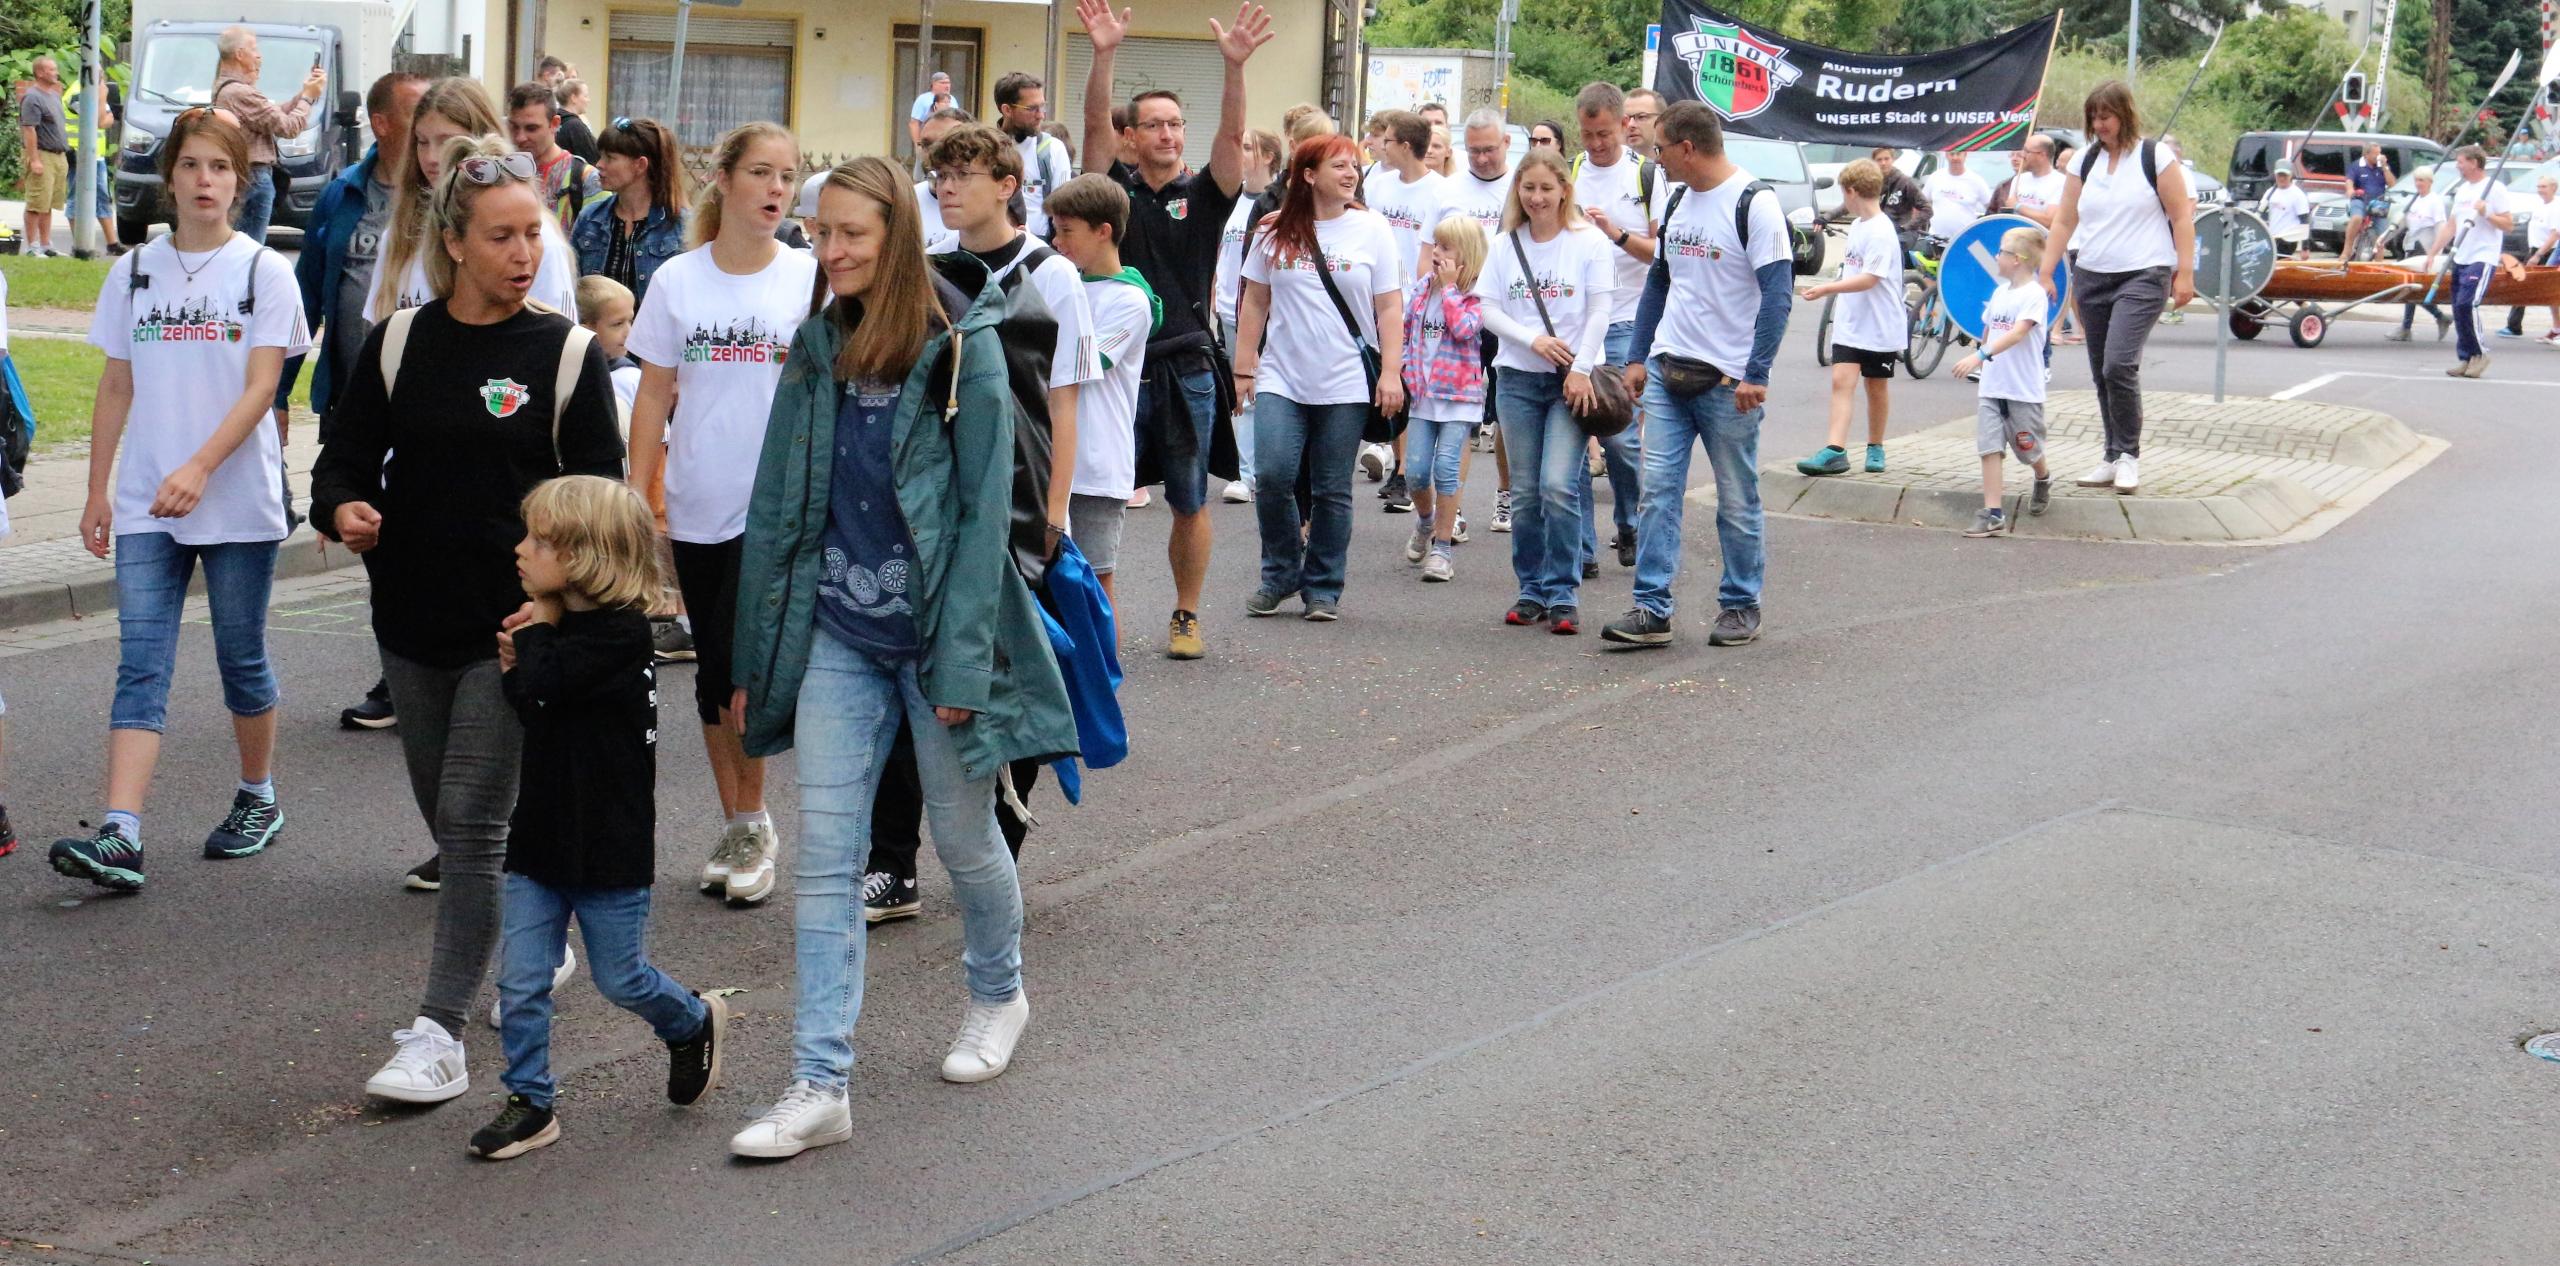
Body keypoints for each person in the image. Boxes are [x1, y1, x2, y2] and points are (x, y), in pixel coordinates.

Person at [721, 156, 1075, 1159]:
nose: (827, 251)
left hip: (936, 641)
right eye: (818, 232)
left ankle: (998, 994)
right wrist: (759, 649)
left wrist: (962, 666)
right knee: (829, 861)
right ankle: (820, 1082)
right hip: (839, 634)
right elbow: (779, 510)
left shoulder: (962, 348)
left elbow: (977, 524)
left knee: (966, 844)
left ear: (896, 239)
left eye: (850, 235)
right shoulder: (815, 345)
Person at [313, 134, 624, 1102]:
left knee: (473, 824)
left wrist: (552, 606)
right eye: (501, 236)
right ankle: (539, 932)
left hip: (514, 631)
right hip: (409, 617)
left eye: (533, 233)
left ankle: (439, 1035)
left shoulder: (566, 355)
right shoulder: (402, 342)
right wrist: (343, 506)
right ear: (453, 242)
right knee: (452, 825)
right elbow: (344, 454)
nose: (523, 252)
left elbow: (601, 502)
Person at [46, 110, 310, 893]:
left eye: (220, 168)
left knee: (241, 658)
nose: (205, 181)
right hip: (143, 502)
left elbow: (264, 386)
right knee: (141, 665)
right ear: (169, 178)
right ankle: (121, 833)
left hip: (236, 500)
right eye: (191, 166)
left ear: (242, 179)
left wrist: (199, 466)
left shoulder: (264, 271)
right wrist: (98, 489)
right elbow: (116, 383)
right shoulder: (133, 271)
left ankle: (258, 796)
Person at [467, 475, 729, 1161]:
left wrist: (534, 644)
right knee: (520, 980)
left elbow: (549, 683)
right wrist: (519, 662)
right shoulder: (556, 632)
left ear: (586, 557)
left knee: (622, 978)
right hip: (540, 837)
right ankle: (530, 1100)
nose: (520, 550)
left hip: (607, 844)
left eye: (540, 540)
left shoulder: (618, 635)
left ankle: (692, 1019)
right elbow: (535, 706)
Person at [625, 122, 816, 907]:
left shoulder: (809, 278)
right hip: (699, 500)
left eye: (788, 177)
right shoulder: (677, 280)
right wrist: (638, 498)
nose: (777, 190)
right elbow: (654, 395)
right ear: (725, 179)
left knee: (752, 674)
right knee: (713, 677)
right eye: (762, 173)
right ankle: (742, 821)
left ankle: (751, 821)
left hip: (778, 508)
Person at [1078, 0, 1274, 660]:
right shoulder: (1110, 192)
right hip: (1115, 369)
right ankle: (1096, 616)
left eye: (1174, 124)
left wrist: (1235, 68)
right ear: (1130, 137)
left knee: (1190, 498)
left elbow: (1231, 137)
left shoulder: (1208, 193)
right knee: (1100, 494)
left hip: (1188, 364)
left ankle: (1185, 614)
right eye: (1153, 125)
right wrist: (1103, 54)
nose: (1166, 134)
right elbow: (1091, 131)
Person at [1601, 100, 1791, 651]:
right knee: (1657, 491)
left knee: (1736, 495)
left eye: (1659, 148)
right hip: (1666, 370)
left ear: (1687, 147)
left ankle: (1739, 604)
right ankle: (1651, 609)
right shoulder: (1679, 198)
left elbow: (1778, 295)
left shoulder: (1755, 203)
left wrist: (1758, 372)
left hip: (1729, 382)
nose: (1653, 158)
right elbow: (1659, 279)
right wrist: (1638, 356)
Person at [291, 71, 430, 733]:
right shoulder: (343, 195)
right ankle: (403, 671)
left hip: (433, 405)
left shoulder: (448, 197)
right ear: (381, 123)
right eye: (416, 112)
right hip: (354, 401)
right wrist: (282, 388)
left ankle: (426, 670)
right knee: (374, 544)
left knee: (428, 538)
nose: (430, 123)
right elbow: (307, 295)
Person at [1233, 133, 1406, 622]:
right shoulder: (1273, 230)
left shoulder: (1373, 230)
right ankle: (1280, 574)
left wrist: (1390, 372)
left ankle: (1324, 588)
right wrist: (1244, 366)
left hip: (1347, 381)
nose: (1352, 174)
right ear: (1308, 176)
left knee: (1332, 488)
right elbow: (1256, 300)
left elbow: (1389, 306)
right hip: (1282, 376)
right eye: (1339, 166)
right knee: (1271, 476)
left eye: (1354, 166)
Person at [2037, 82, 2196, 494]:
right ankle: (2110, 455)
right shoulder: (2084, 162)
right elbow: (2064, 221)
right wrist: (2046, 271)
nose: (2098, 124)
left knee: (2118, 365)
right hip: (2092, 274)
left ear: (2125, 114)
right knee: (2100, 373)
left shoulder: (2153, 156)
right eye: (2093, 117)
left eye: (2106, 116)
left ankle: (2128, 456)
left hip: (2144, 273)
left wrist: (2185, 273)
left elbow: (2181, 217)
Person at [1478, 148, 1612, 632]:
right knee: (1527, 492)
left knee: (1559, 484)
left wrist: (1581, 366)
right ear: (1518, 190)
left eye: (1546, 189)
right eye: (1528, 188)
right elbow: (1487, 308)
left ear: (1564, 191)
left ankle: (1563, 591)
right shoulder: (1503, 245)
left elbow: (1601, 310)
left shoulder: (1588, 242)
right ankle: (1530, 588)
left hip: (1569, 383)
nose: (1537, 198)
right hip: (1516, 378)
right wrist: (1530, 338)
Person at [367, 78, 582, 326]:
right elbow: (379, 329)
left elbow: (558, 341)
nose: (432, 157)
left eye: (447, 142)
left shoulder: (538, 238)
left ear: (482, 140)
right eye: (422, 142)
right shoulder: (400, 234)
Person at [1050, 172, 1158, 604]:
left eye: (1067, 231)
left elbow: (1083, 365)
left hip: (1096, 466)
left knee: (1094, 585)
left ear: (1103, 231)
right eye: (1055, 231)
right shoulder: (1065, 282)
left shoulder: (1129, 299)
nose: (1057, 242)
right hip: (1054, 458)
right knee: (1052, 583)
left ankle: (1103, 672)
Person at [1570, 81, 1663, 574]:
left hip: (1628, 319)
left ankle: (1628, 520)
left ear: (1623, 124)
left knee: (1622, 440)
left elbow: (1660, 254)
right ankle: (1581, 547)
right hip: (1578, 324)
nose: (1596, 144)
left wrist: (1615, 234)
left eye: (1603, 133)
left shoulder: (1646, 176)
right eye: (1587, 135)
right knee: (1575, 435)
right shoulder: (1572, 171)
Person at [1356, 108, 1446, 512]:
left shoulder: (1440, 191)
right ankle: (1398, 462)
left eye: (1386, 140)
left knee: (1408, 385)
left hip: (1417, 304)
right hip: (1377, 299)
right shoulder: (1377, 182)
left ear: (1405, 146)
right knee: (1387, 384)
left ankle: (1407, 474)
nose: (1379, 146)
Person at [1795, 159, 1901, 477]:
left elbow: (1870, 278)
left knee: (1876, 386)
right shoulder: (1857, 226)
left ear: (1851, 191)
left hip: (1880, 324)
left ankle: (1875, 445)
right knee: (1842, 381)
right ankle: (1835, 449)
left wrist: (1828, 287)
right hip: (1851, 321)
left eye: (1844, 194)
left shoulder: (1882, 230)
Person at [1398, 215, 1487, 583]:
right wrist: (1402, 370)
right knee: (1416, 471)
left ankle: (1443, 549)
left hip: (1459, 397)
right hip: (1422, 397)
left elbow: (1465, 330)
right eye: (1436, 245)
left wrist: (1450, 290)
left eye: (1445, 247)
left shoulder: (1477, 295)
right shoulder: (1421, 289)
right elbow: (1406, 332)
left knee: (1447, 469)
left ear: (1465, 255)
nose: (1436, 253)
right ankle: (1425, 521)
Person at [1951, 225, 2055, 538]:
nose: (1997, 256)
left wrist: (1980, 355)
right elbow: (1990, 330)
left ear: (2018, 259)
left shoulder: (2034, 295)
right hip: (1993, 386)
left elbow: (2018, 332)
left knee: (2028, 448)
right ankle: (1993, 512)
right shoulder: (1999, 293)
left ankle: (2043, 475)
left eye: (2002, 252)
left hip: (2022, 388)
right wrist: (1978, 356)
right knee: (1989, 446)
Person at [1447, 109, 1515, 532]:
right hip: (1461, 312)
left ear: (1506, 144)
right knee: (1459, 411)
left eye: (1489, 149)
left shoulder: (1522, 187)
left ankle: (1505, 494)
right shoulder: (1451, 188)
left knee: (1506, 411)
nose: (1482, 158)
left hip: (1508, 313)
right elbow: (1431, 248)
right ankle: (1452, 509)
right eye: (1473, 151)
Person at [1212, 127, 1287, 504]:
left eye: (1247, 147)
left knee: (1261, 386)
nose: (1240, 153)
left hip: (1262, 310)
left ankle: (1254, 471)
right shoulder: (1230, 200)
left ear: (1270, 157)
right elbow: (1220, 254)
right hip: (1228, 306)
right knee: (1240, 389)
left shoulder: (1276, 201)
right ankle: (1244, 469)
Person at [210, 27, 327, 244]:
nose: (259, 55)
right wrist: (308, 99)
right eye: (254, 49)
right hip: (253, 176)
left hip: (244, 176)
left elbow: (271, 116)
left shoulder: (225, 89)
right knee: (251, 248)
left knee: (237, 243)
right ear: (239, 54)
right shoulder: (241, 93)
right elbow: (289, 127)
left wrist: (304, 93)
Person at [572, 115, 689, 304]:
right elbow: (571, 286)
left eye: (610, 158)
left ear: (640, 165)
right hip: (596, 333)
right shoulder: (590, 219)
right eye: (601, 155)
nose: (599, 164)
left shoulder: (680, 227)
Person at [2424, 145, 2515, 379]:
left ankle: (2481, 353)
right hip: (2461, 255)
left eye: (2461, 161)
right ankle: (2466, 357)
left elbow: (2508, 224)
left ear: (2474, 163)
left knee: (2467, 304)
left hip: (2482, 256)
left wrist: (2486, 213)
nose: (2457, 165)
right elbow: (2452, 225)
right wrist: (2434, 251)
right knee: (2457, 307)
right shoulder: (2463, 190)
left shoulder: (2494, 188)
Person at [994, 73, 1076, 238]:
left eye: (1042, 107)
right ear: (1007, 110)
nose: (1041, 115)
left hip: (1039, 247)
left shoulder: (1052, 149)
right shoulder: (987, 148)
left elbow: (1064, 208)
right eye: (1032, 109)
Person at [508, 82, 601, 225]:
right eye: (514, 127)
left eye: (531, 128)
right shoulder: (499, 174)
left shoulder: (587, 180)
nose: (520, 137)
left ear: (554, 124)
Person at [62, 71, 126, 256]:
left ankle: (112, 244)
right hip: (78, 155)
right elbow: (98, 120)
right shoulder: (77, 93)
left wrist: (102, 110)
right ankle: (80, 245)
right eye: (99, 74)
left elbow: (109, 119)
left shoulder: (94, 92)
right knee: (76, 198)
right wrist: (102, 97)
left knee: (103, 198)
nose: (103, 77)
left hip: (96, 156)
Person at [2389, 167, 2452, 342]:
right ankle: (2429, 320)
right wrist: (2385, 238)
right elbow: (2403, 223)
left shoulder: (2434, 202)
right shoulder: (2415, 200)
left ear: (2430, 182)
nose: (2418, 184)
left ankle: (2411, 326)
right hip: (2411, 247)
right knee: (2410, 288)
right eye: (2416, 180)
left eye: (2422, 180)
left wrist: (2436, 253)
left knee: (2412, 289)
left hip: (2425, 250)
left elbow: (2441, 227)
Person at [16, 57, 70, 256]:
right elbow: (29, 129)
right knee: (36, 202)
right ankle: (32, 246)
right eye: (52, 69)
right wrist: (35, 159)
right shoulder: (32, 97)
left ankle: (46, 244)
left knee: (48, 203)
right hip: (42, 154)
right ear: (40, 73)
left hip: (58, 156)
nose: (56, 72)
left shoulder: (54, 95)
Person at [2498, 175, 2558, 342]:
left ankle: (2554, 328)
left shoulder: (2555, 207)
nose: (2540, 190)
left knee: (2550, 292)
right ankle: (2514, 325)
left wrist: (2538, 255)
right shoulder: (2540, 206)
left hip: (2547, 252)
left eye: (2544, 187)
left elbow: (2554, 235)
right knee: (2522, 284)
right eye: (2538, 186)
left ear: (2553, 188)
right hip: (2533, 250)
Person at [910, 106, 973, 253]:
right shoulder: (907, 199)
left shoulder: (991, 201)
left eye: (945, 143)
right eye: (926, 145)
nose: (933, 153)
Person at [1924, 149, 1991, 244]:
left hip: (1965, 240)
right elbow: (1922, 204)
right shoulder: (1935, 177)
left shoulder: (1977, 181)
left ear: (1965, 155)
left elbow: (1991, 208)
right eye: (1952, 154)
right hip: (1935, 239)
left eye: (1958, 154)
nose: (1955, 158)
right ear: (1946, 155)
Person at [2342, 141, 2393, 262]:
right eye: (2375, 154)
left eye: (2379, 153)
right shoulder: (2356, 166)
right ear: (2366, 154)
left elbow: (2392, 184)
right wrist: (2350, 190)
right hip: (2360, 199)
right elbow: (2349, 180)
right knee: (2356, 218)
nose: (2378, 156)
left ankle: (2379, 262)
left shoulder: (2382, 167)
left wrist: (2385, 168)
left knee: (2382, 234)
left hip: (2378, 202)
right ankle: (2347, 250)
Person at [1871, 147, 1930, 238]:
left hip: (1901, 235)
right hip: (1879, 233)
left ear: (1893, 159)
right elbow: (1853, 200)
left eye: (1886, 159)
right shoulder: (1871, 183)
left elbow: (1927, 210)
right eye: (1879, 160)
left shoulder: (1905, 182)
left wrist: (1906, 227)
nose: (1883, 163)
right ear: (1874, 162)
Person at [2260, 167, 2310, 258]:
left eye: (2285, 175)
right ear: (2275, 175)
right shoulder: (2269, 192)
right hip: (2272, 238)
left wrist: (2305, 247)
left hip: (2288, 240)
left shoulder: (2298, 195)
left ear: (2290, 175)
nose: (2282, 178)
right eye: (2279, 175)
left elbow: (2304, 221)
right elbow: (2261, 214)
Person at [908, 71, 957, 153]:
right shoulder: (923, 99)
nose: (947, 86)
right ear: (934, 84)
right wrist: (918, 144)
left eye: (948, 83)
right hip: (929, 143)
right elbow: (914, 123)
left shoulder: (953, 99)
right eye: (943, 83)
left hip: (948, 143)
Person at [553, 78, 599, 164]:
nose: (588, 100)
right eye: (585, 96)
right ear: (573, 98)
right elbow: (592, 158)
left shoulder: (555, 122)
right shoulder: (575, 127)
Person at [1623, 90, 1665, 160]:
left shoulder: (1677, 166)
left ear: (1662, 120)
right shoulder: (1607, 166)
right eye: (1626, 119)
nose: (1630, 125)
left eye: (1641, 117)